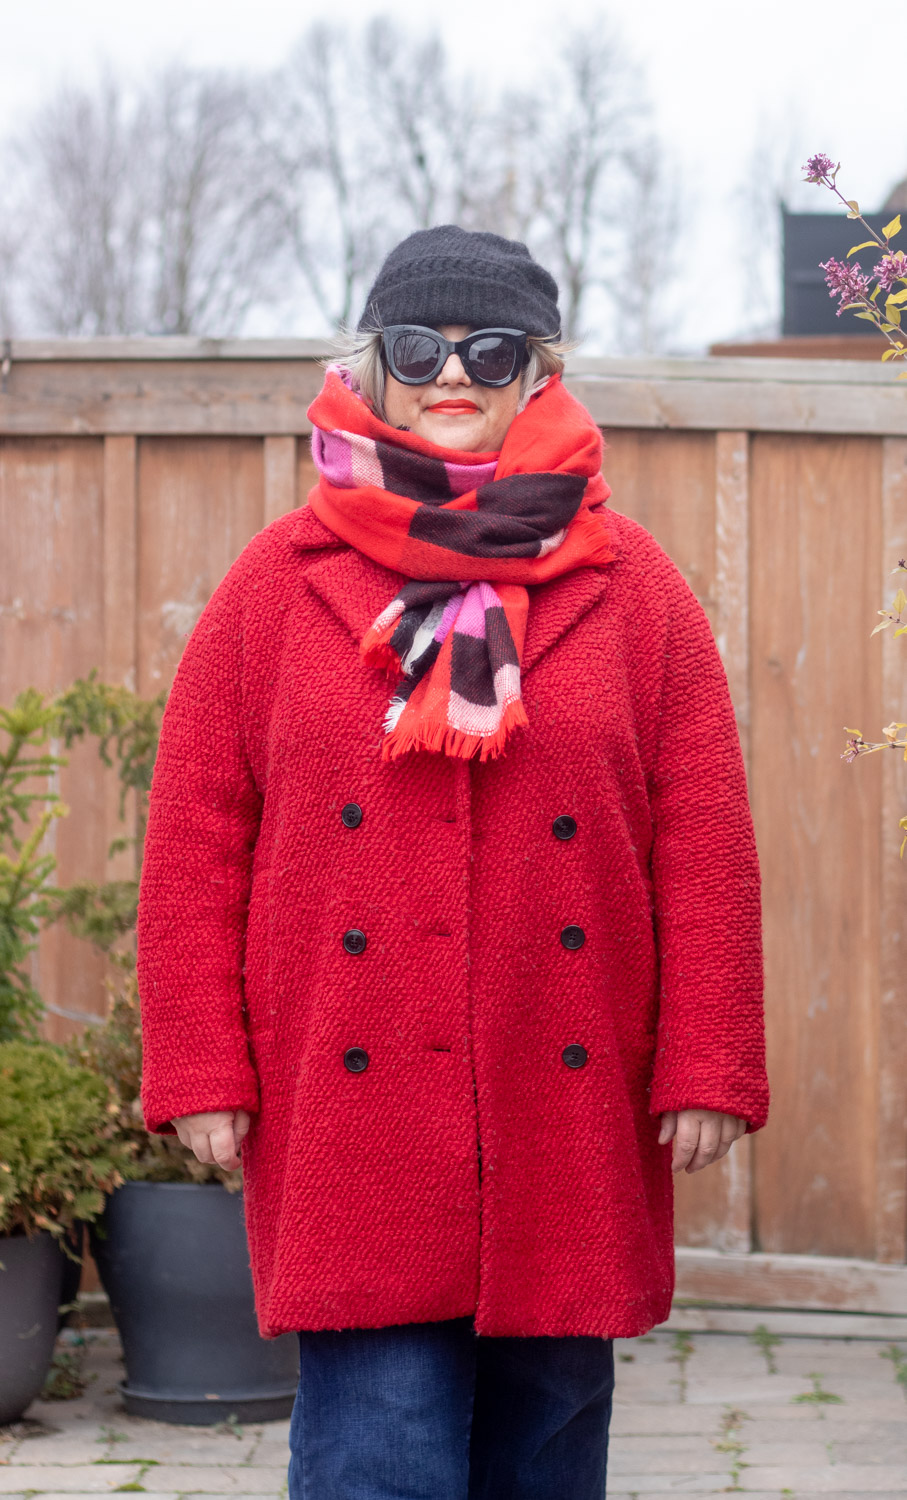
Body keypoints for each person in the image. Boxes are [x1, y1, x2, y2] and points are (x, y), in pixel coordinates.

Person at [137, 225, 769, 1500]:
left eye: (491, 348)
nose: (453, 374)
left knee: (547, 1432)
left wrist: (709, 1055)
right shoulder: (278, 583)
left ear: (539, 371)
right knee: (380, 1439)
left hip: (564, 1078)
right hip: (350, 1083)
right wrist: (199, 1063)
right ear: (370, 363)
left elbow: (700, 833)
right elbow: (197, 830)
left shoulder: (635, 588)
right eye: (418, 345)